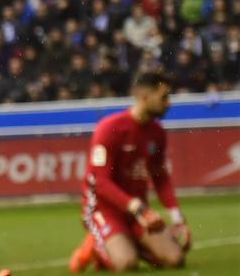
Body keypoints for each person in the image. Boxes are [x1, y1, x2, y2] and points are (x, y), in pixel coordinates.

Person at [69, 72, 190, 272]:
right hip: (103, 209)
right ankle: (92, 248)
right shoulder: (110, 128)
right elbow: (99, 181)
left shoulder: (157, 133)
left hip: (137, 212)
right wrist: (132, 204)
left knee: (175, 259)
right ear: (144, 97)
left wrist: (176, 217)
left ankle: (127, 240)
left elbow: (160, 177)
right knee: (126, 264)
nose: (169, 103)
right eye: (164, 97)